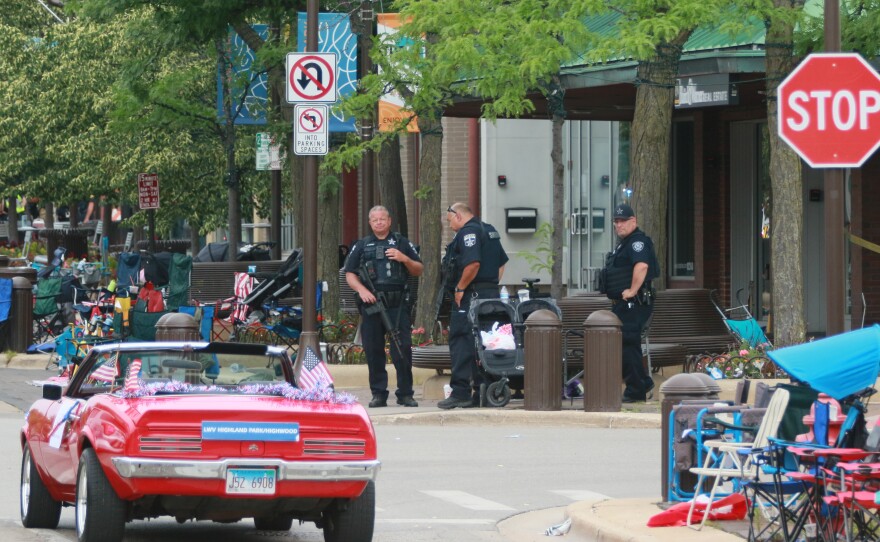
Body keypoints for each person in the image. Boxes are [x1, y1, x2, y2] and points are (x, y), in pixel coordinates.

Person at [344, 206, 424, 408]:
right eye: (374, 220)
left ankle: (405, 393)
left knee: (402, 348)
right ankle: (378, 394)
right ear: (370, 223)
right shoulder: (362, 245)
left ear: (389, 221)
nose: (379, 222)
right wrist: (362, 290)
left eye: (382, 219)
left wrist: (404, 258)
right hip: (372, 305)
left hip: (397, 306)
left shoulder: (401, 242)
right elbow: (349, 273)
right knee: (374, 350)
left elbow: (418, 269)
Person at [438, 202, 509, 410]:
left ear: (458, 216)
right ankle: (484, 391)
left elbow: (473, 264)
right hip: (489, 296)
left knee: (461, 341)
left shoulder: (468, 233)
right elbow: (502, 263)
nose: (450, 226)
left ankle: (460, 393)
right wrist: (491, 285)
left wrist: (461, 288)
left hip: (470, 296)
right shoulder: (489, 230)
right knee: (486, 342)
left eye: (450, 221)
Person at [601, 203, 659, 403]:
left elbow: (642, 266)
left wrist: (633, 290)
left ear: (633, 221)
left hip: (635, 302)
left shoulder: (637, 242)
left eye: (623, 221)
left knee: (628, 343)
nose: (619, 225)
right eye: (616, 221)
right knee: (626, 343)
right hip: (624, 303)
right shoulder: (624, 243)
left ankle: (636, 389)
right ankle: (642, 382)